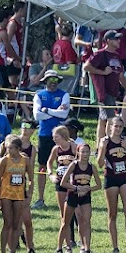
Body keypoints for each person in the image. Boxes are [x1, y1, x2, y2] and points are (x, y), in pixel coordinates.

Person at [31, 71, 71, 210]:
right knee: (42, 165)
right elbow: (37, 115)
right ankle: (40, 198)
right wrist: (55, 112)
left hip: (62, 135)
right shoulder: (39, 95)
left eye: (55, 79)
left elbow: (64, 114)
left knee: (65, 164)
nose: (53, 82)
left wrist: (47, 110)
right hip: (44, 134)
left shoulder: (64, 95)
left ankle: (67, 196)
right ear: (45, 81)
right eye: (50, 79)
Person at [86, 33, 126, 142]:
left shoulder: (117, 56)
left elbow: (121, 75)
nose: (119, 41)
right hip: (104, 91)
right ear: (108, 40)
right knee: (111, 119)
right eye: (116, 39)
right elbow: (86, 67)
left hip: (113, 92)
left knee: (103, 119)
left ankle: (100, 145)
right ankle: (109, 143)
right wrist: (102, 72)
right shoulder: (100, 54)